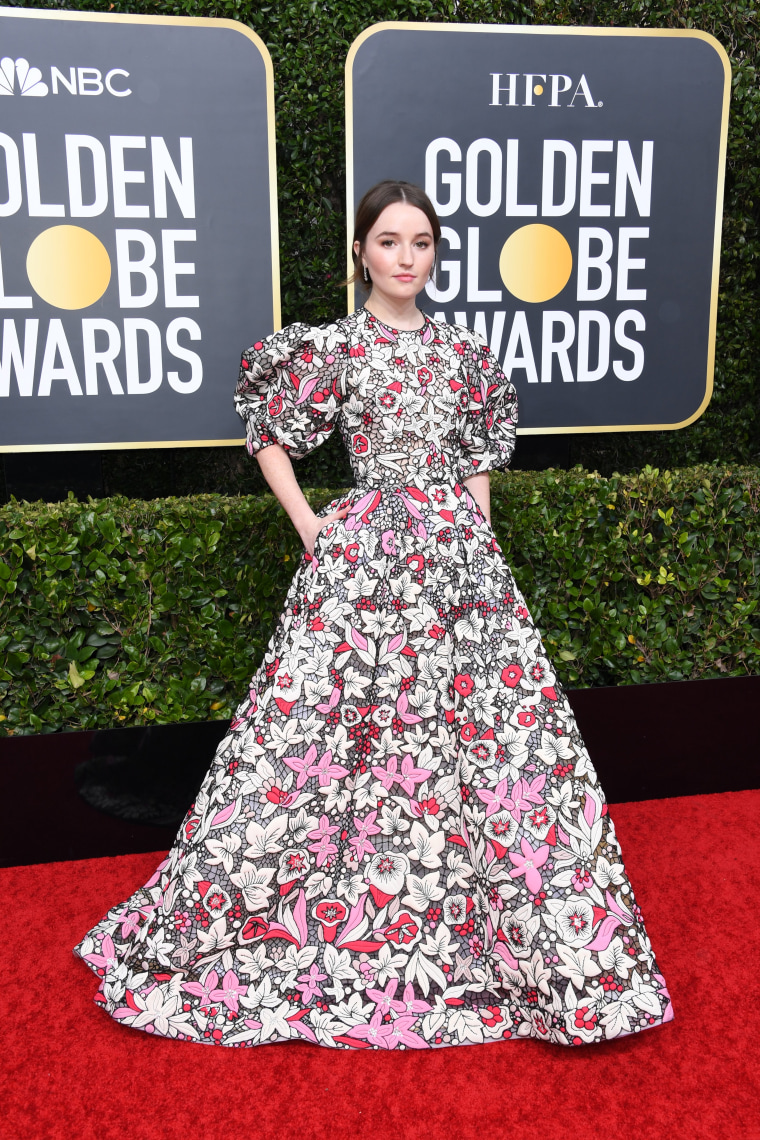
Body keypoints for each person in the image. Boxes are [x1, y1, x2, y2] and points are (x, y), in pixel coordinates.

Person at [75, 180, 673, 1049]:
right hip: (363, 560)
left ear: (434, 253)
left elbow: (475, 469)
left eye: (421, 242)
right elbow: (268, 432)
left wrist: (482, 548)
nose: (405, 257)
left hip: (459, 564)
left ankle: (518, 941)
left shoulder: (467, 355)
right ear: (362, 252)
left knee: (486, 741)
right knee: (329, 734)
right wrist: (312, 525)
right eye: (389, 240)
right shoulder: (337, 351)